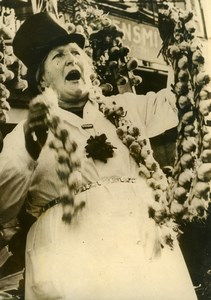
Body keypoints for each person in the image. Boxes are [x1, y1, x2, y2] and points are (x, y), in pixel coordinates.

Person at [0, 12, 197, 299]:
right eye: (58, 56)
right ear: (42, 80)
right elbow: (4, 204)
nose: (71, 59)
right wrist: (29, 151)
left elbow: (179, 103)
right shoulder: (28, 130)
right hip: (70, 256)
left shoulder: (125, 107)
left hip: (141, 247)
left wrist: (175, 46)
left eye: (76, 52)